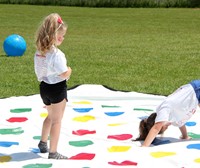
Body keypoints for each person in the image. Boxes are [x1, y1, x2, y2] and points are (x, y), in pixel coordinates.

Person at [34, 13, 72, 159]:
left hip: (44, 87)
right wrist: (69, 71)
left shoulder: (39, 52)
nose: (62, 38)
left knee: (50, 116)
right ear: (53, 35)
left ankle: (43, 142)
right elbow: (63, 73)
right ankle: (53, 151)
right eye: (60, 36)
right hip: (57, 88)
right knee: (57, 120)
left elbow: (39, 71)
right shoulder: (57, 54)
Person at [134, 80, 200, 147]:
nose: (168, 125)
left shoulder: (164, 110)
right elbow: (181, 124)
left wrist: (145, 146)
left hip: (196, 89)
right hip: (196, 96)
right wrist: (185, 136)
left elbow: (156, 128)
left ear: (159, 120)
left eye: (165, 126)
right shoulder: (173, 118)